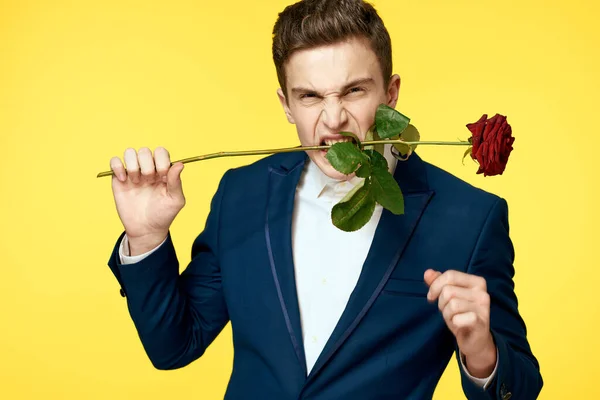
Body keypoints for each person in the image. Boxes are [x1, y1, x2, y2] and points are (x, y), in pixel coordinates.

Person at [106, 0, 542, 398]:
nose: (334, 120)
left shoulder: (469, 218)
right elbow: (175, 346)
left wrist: (482, 353)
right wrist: (146, 240)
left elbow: (519, 389)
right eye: (311, 96)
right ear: (286, 104)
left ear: (390, 94)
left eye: (354, 90)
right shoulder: (241, 193)